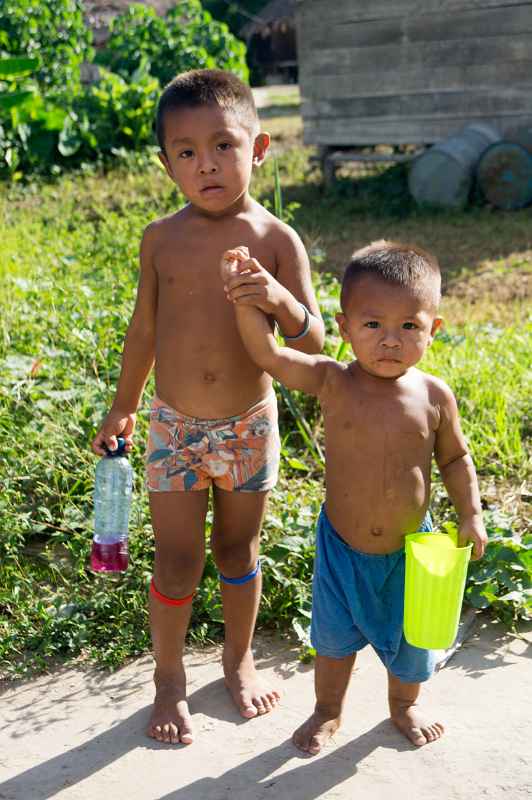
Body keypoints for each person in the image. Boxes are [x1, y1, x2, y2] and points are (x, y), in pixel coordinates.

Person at [92, 69, 324, 745]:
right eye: (187, 152)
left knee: (237, 548)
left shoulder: (277, 239)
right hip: (173, 426)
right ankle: (168, 679)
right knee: (175, 559)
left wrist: (277, 299)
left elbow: (314, 340)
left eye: (224, 145)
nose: (207, 164)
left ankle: (237, 661)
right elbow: (143, 331)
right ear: (167, 165)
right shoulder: (160, 239)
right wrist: (123, 405)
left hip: (249, 425)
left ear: (259, 148)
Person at [221, 240, 486, 753]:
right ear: (344, 328)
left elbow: (455, 459)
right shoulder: (332, 380)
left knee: (412, 640)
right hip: (342, 548)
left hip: (410, 551)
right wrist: (246, 297)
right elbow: (269, 355)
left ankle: (404, 705)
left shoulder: (434, 396)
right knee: (333, 640)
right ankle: (328, 710)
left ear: (434, 329)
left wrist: (470, 513)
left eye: (408, 326)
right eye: (373, 325)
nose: (390, 340)